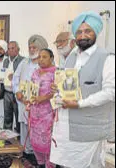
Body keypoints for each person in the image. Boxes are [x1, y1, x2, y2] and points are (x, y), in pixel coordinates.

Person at [50, 11, 115, 168]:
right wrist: (57, 89)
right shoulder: (71, 58)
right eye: (79, 32)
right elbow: (69, 87)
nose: (82, 35)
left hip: (90, 132)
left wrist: (80, 104)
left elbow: (110, 92)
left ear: (96, 32)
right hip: (66, 129)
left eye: (87, 31)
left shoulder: (107, 58)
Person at [13, 35, 48, 166]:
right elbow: (15, 78)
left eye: (35, 47)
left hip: (39, 105)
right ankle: (26, 154)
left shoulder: (46, 64)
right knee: (24, 128)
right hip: (23, 103)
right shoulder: (24, 62)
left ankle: (38, 157)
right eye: (30, 47)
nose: (32, 50)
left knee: (37, 130)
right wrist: (17, 91)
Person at [28, 49, 56, 168]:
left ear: (52, 58)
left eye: (44, 57)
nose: (41, 59)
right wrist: (28, 100)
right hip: (34, 112)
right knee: (35, 140)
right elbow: (30, 90)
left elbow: (59, 92)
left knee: (48, 141)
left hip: (48, 113)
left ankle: (50, 165)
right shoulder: (35, 72)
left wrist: (43, 98)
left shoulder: (56, 73)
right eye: (39, 57)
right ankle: (40, 163)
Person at [2, 41, 24, 133]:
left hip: (17, 93)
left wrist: (14, 76)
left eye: (13, 48)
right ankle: (7, 139)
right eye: (9, 48)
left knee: (18, 117)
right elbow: (3, 73)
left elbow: (24, 76)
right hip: (6, 92)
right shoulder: (6, 61)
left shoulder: (23, 61)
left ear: (18, 49)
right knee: (7, 117)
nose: (10, 50)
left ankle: (19, 139)